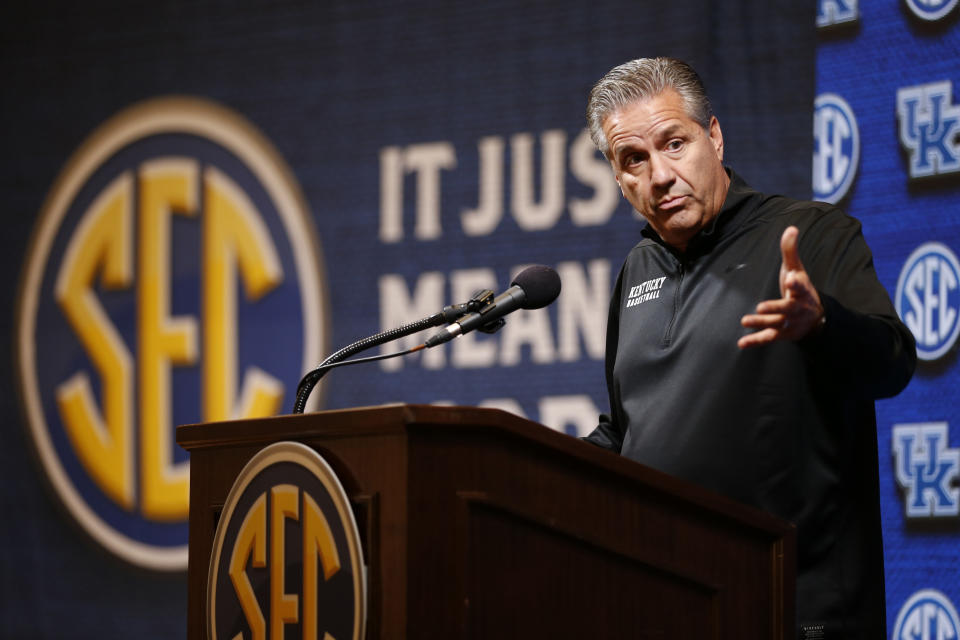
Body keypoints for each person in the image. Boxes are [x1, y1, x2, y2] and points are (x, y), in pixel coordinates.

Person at [582, 57, 916, 639]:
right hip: (669, 603)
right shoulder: (637, 269)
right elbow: (625, 431)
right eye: (634, 159)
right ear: (617, 176)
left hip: (796, 610)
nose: (659, 175)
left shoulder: (811, 233)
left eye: (674, 143)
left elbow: (893, 361)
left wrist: (822, 324)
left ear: (713, 136)